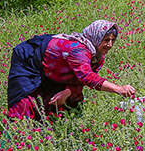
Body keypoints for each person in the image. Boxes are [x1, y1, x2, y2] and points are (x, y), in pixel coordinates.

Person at [7, 20, 136, 122]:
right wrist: (118, 89)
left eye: (113, 40)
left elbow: (81, 81)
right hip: (28, 60)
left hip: (53, 69)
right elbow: (87, 77)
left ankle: (55, 132)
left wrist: (67, 92)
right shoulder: (78, 50)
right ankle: (12, 142)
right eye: (106, 40)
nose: (110, 44)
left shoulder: (96, 56)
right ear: (96, 37)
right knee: (24, 102)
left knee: (63, 100)